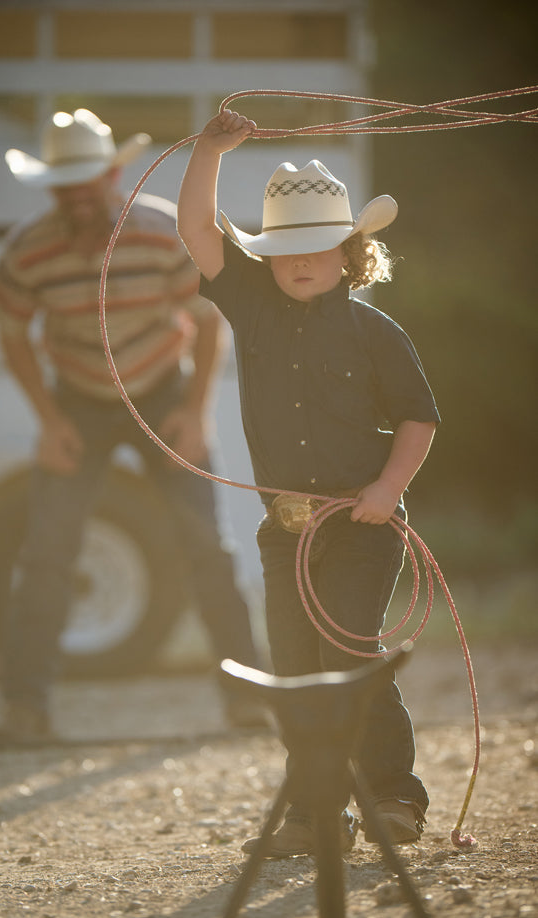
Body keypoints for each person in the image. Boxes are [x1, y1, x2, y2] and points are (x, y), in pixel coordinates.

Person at [177, 110, 440, 855]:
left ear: (348, 252)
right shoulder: (250, 305)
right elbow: (198, 230)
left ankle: (393, 796)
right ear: (267, 256)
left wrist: (387, 490)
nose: (299, 262)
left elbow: (418, 420)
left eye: (317, 247)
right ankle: (319, 812)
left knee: (350, 655)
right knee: (294, 671)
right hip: (284, 528)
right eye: (285, 248)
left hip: (361, 525)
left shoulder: (374, 332)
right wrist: (208, 151)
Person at [0, 108, 267, 745]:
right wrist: (49, 419)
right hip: (77, 399)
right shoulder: (27, 248)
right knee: (49, 550)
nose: (78, 195)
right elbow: (11, 332)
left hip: (162, 389)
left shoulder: (162, 230)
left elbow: (209, 322)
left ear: (113, 174)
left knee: (207, 545)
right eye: (65, 185)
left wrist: (194, 413)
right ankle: (23, 710)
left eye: (88, 180)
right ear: (51, 188)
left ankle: (249, 697)